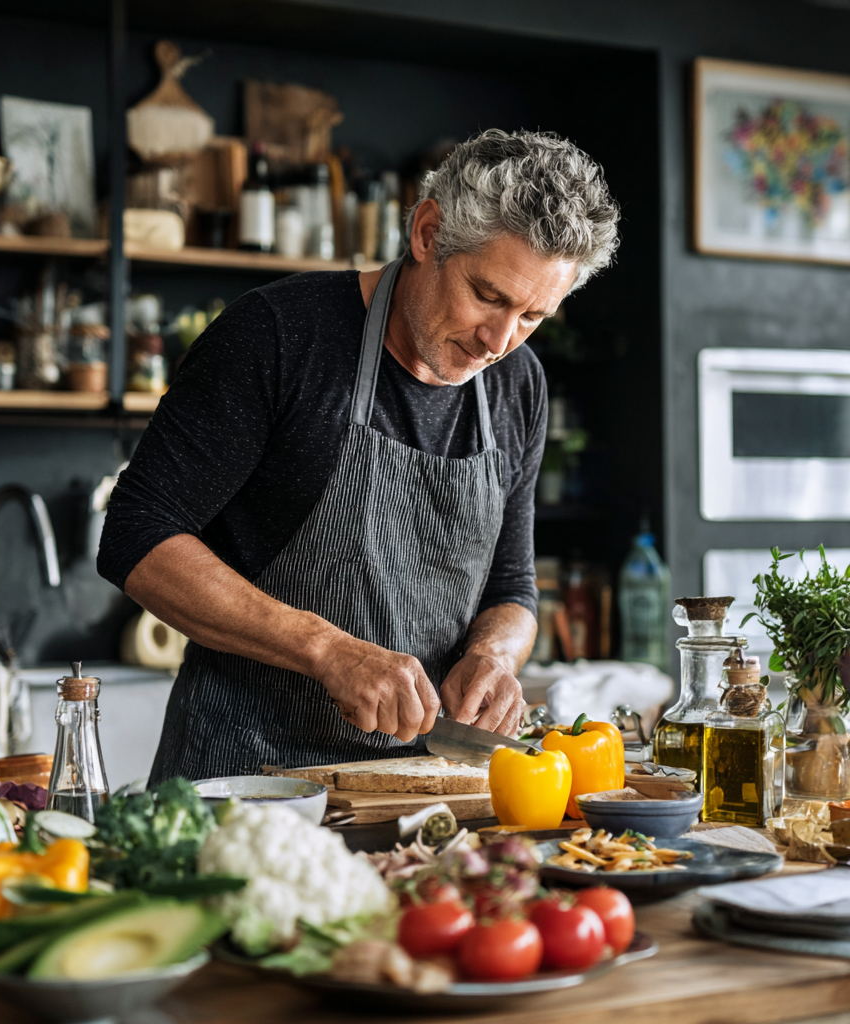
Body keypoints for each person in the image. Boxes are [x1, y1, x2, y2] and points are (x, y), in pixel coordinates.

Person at [98, 129, 620, 783]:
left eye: (533, 316)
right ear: (428, 233)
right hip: (248, 783)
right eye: (488, 296)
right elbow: (136, 534)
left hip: (423, 792)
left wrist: (495, 655)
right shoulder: (279, 336)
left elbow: (511, 588)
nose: (498, 340)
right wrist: (325, 649)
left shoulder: (520, 385)